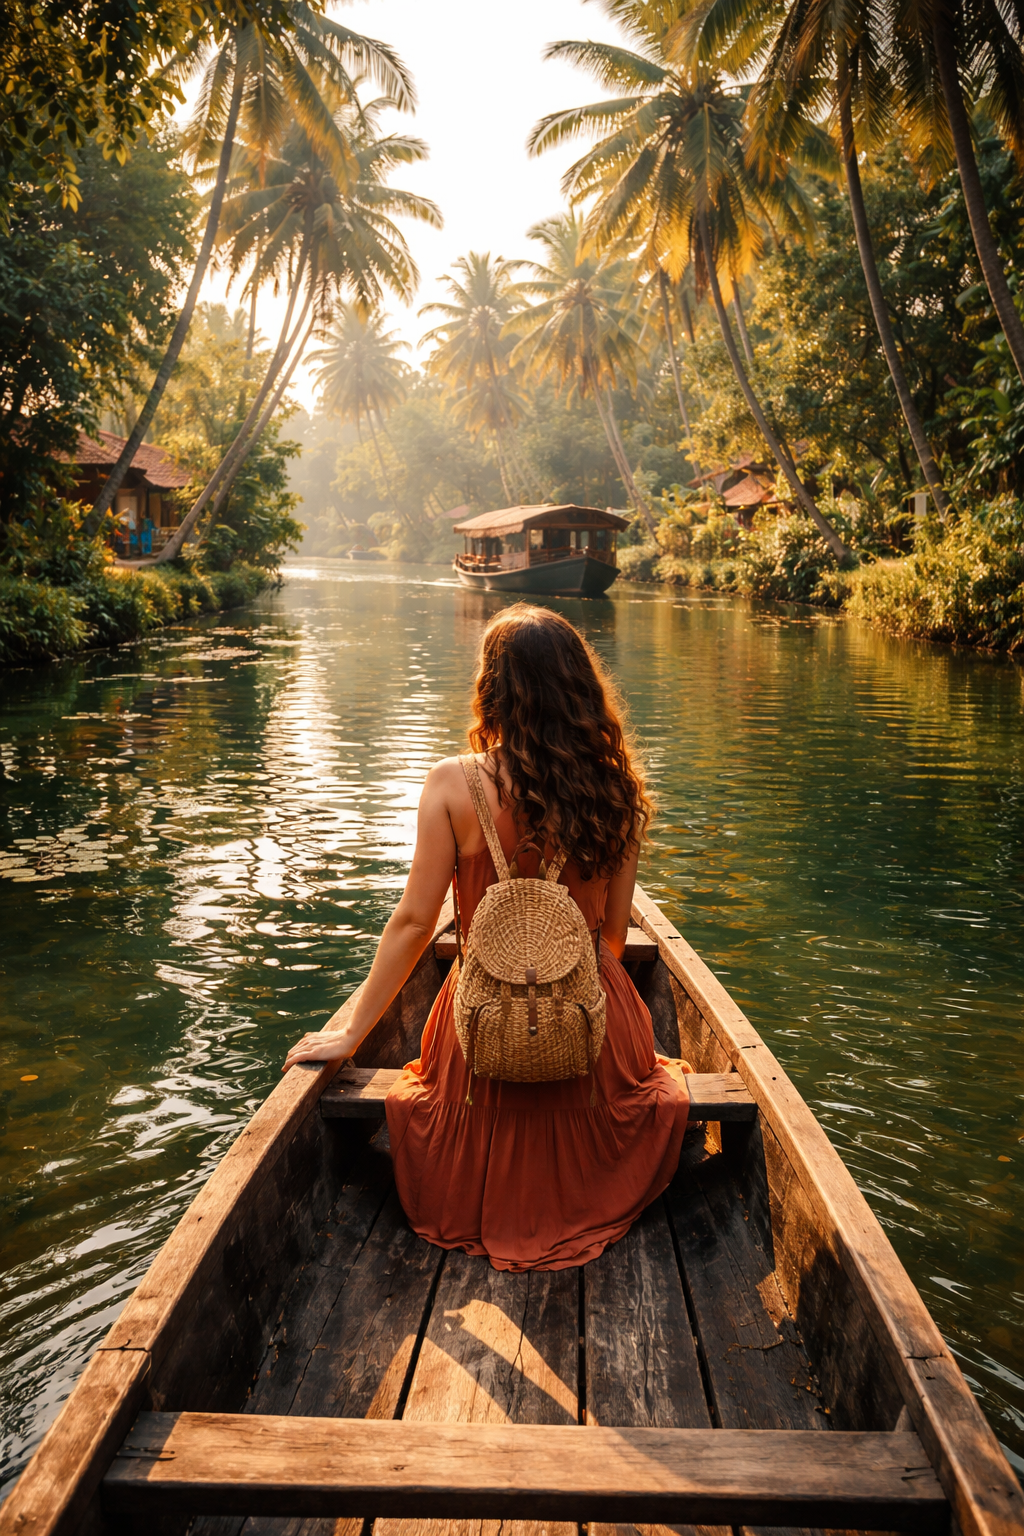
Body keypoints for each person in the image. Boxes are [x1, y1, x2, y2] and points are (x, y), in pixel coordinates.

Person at [283, 604, 690, 1270]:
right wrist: (558, 977)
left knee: (432, 1078)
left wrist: (351, 1034)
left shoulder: (451, 785)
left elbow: (415, 924)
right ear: (581, 690)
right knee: (651, 1075)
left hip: (480, 1025)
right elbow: (613, 940)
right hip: (592, 1027)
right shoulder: (619, 793)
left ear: (492, 691)